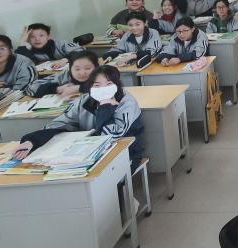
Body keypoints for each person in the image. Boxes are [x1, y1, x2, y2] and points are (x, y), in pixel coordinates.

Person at [11, 65, 145, 172]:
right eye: (97, 85)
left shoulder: (126, 103)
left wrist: (105, 107)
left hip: (126, 152)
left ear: (118, 85)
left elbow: (111, 135)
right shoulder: (85, 100)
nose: (103, 89)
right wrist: (32, 141)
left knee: (104, 178)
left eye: (109, 84)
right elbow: (61, 122)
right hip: (88, 151)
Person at [28, 50, 99, 98]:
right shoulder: (65, 75)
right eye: (77, 69)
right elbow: (31, 87)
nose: (82, 73)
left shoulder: (102, 73)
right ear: (70, 68)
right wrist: (56, 89)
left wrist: (78, 88)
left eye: (87, 68)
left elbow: (105, 89)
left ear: (96, 67)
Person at [15, 23, 82, 64]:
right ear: (27, 39)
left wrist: (65, 60)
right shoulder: (31, 53)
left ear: (49, 36)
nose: (37, 39)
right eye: (32, 37)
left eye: (41, 35)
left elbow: (80, 51)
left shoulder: (60, 44)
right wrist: (22, 42)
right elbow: (21, 64)